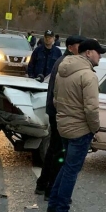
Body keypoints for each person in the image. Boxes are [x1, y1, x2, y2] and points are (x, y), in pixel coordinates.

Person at [47, 38, 106, 212]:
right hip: (81, 130)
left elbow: (56, 100)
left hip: (64, 126)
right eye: (98, 53)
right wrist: (95, 128)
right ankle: (61, 211)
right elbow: (91, 109)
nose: (100, 57)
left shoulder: (63, 70)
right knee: (71, 171)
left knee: (66, 166)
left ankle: (53, 205)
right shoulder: (88, 76)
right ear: (88, 53)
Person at [35, 35, 85, 198]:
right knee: (58, 153)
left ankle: (43, 183)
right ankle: (50, 189)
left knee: (53, 150)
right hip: (59, 112)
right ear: (71, 47)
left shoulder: (63, 61)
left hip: (55, 110)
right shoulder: (66, 64)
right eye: (80, 46)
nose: (82, 49)